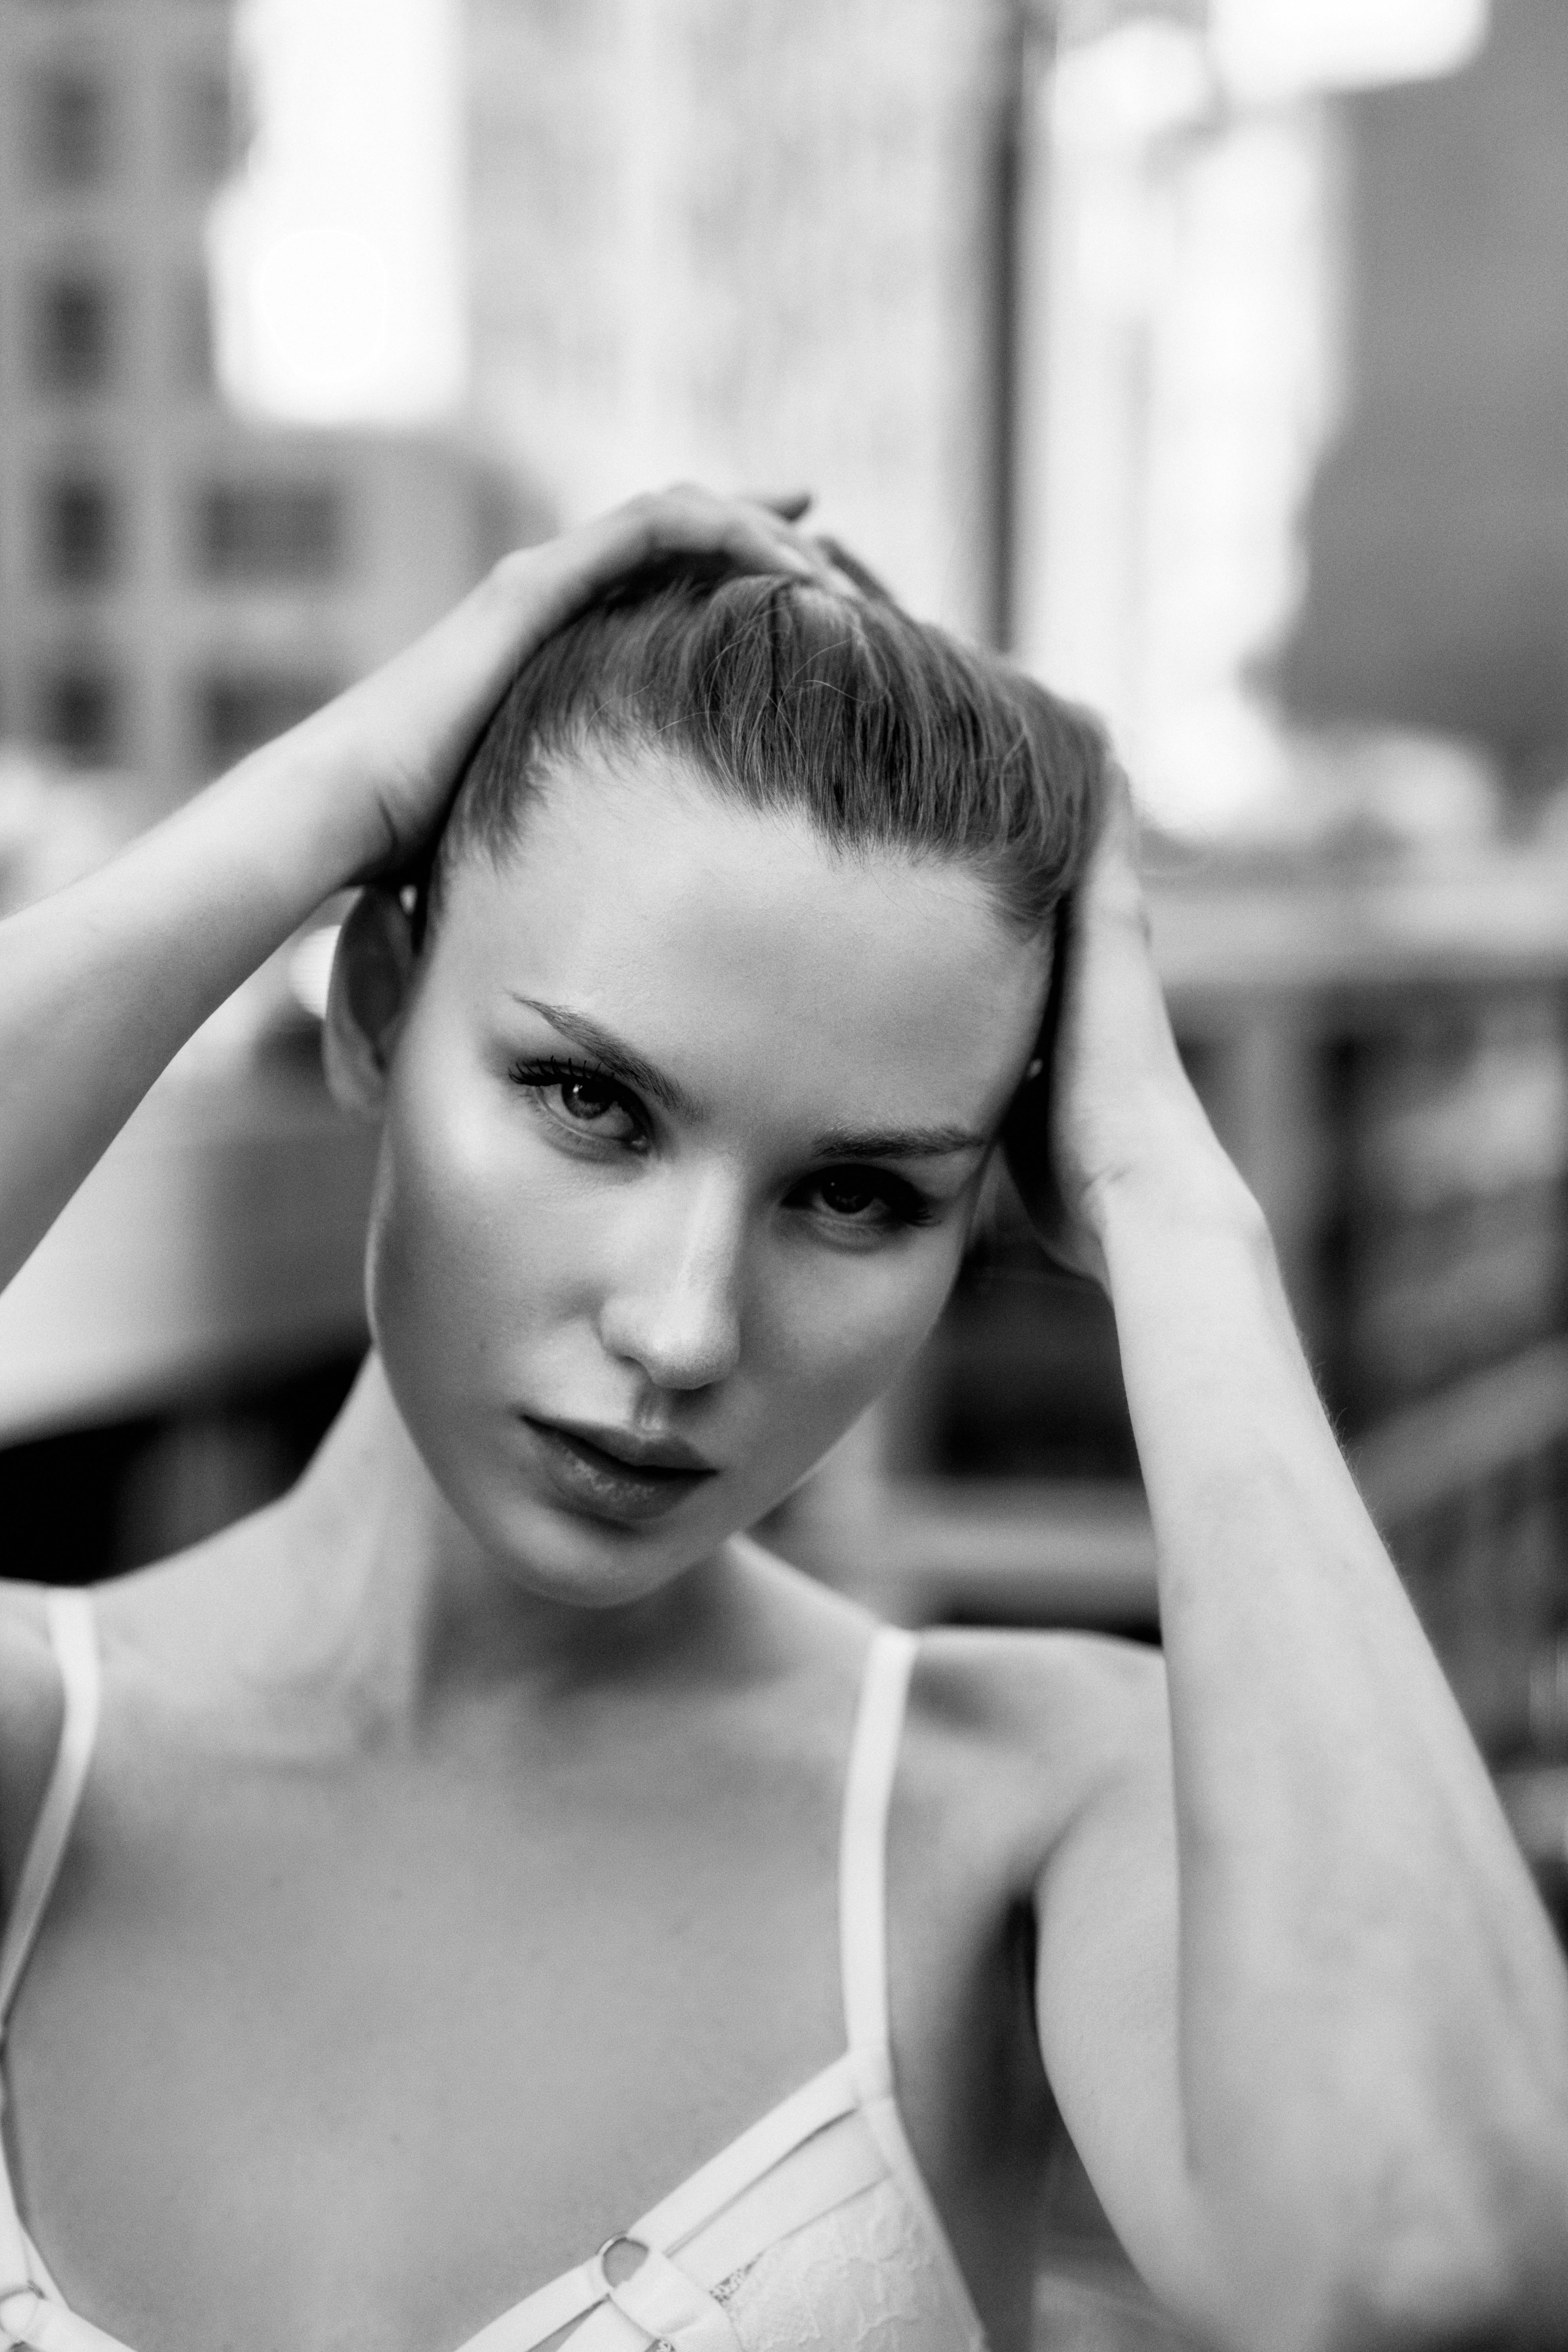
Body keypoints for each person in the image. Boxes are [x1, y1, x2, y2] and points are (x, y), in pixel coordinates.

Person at [0, 487, 1564, 2352]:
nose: (681, 1327)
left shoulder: (1036, 1802)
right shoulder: (38, 1760)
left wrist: (1176, 1208)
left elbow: (1427, 2262)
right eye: (588, 1100)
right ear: (380, 1005)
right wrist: (317, 798)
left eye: (857, 1197)